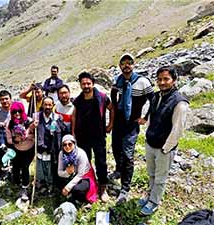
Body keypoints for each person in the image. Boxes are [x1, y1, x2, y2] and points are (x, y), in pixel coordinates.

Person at [139, 66, 189, 215]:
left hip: (164, 148)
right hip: (151, 143)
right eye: (159, 79)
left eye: (166, 79)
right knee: (151, 173)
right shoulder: (156, 96)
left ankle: (154, 202)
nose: (162, 82)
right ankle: (150, 195)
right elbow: (152, 118)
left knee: (160, 177)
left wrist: (166, 148)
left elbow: (177, 129)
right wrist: (147, 137)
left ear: (174, 80)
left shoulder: (180, 102)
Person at [110, 53, 154, 204]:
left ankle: (125, 188)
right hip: (118, 123)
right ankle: (118, 170)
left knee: (128, 155)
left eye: (129, 63)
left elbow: (153, 100)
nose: (126, 66)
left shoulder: (142, 81)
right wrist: (113, 112)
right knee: (115, 148)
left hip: (131, 124)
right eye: (123, 63)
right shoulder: (118, 80)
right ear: (120, 66)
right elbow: (113, 95)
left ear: (134, 65)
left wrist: (145, 117)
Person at [72, 72, 114, 202]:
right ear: (80, 85)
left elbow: (112, 108)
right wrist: (73, 134)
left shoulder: (102, 97)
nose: (86, 86)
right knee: (86, 162)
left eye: (88, 83)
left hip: (98, 136)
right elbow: (74, 117)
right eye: (83, 83)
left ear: (93, 83)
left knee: (101, 162)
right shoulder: (78, 101)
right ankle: (90, 185)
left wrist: (110, 125)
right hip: (83, 136)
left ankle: (103, 187)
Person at [5, 101, 37, 201]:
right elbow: (9, 139)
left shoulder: (29, 121)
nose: (17, 114)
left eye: (19, 111)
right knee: (16, 167)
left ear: (23, 111)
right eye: (14, 112)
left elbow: (34, 135)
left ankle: (25, 188)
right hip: (17, 149)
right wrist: (15, 140)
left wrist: (25, 136)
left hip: (29, 149)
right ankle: (17, 181)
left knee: (25, 167)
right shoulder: (10, 124)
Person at [36, 96, 66, 194]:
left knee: (51, 167)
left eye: (50, 105)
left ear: (53, 106)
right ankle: (42, 183)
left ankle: (51, 184)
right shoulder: (36, 116)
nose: (48, 107)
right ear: (42, 105)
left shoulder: (57, 117)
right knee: (41, 167)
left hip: (52, 149)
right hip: (40, 147)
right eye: (45, 104)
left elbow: (64, 130)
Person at [58, 134, 98, 204]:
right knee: (58, 182)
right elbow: (59, 172)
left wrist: (68, 187)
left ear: (74, 144)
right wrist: (67, 172)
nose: (67, 147)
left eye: (70, 144)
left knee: (76, 189)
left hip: (84, 175)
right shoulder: (61, 154)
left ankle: (79, 199)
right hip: (70, 174)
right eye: (65, 145)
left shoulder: (81, 154)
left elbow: (80, 174)